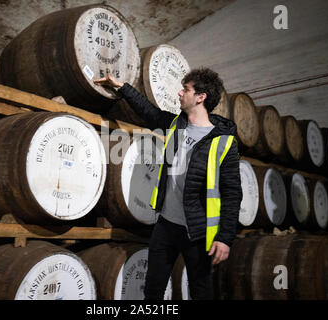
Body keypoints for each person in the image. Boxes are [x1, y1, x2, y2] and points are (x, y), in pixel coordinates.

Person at [94, 68, 242, 300]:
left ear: (201, 97)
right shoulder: (176, 124)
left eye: (186, 89)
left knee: (200, 291)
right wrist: (122, 87)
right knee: (153, 289)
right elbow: (149, 112)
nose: (180, 93)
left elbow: (233, 194)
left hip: (198, 231)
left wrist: (225, 237)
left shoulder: (224, 141)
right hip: (165, 225)